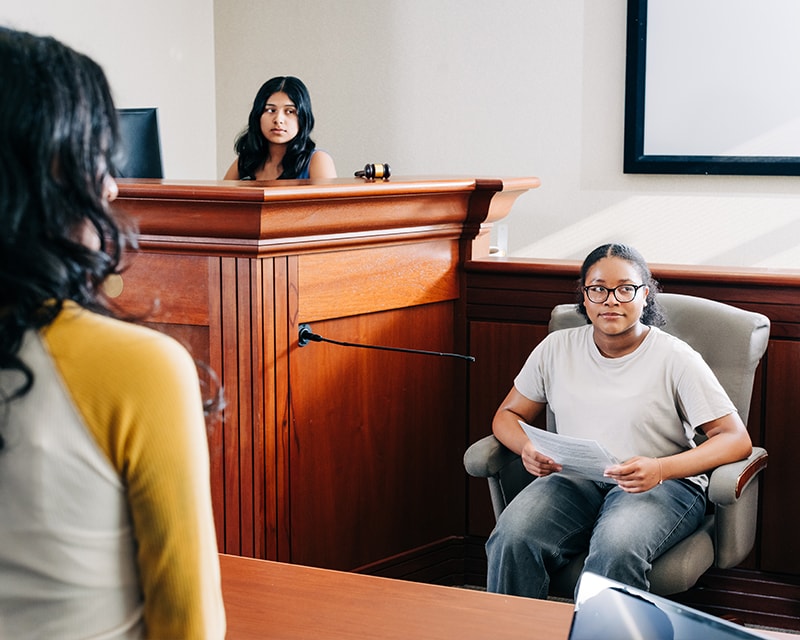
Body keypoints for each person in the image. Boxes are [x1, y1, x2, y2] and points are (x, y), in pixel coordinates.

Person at [0, 28, 226, 638]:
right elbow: (189, 626)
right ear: (46, 171)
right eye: (97, 156)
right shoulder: (140, 369)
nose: (112, 186)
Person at [485, 243, 753, 599]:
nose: (611, 300)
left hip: (662, 484)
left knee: (616, 549)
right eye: (598, 289)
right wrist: (527, 447)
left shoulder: (676, 357)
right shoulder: (556, 348)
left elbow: (735, 438)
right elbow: (507, 415)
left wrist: (660, 468)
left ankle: (604, 627)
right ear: (584, 297)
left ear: (645, 296)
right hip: (575, 477)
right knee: (512, 538)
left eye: (625, 289)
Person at [223, 75, 336, 181]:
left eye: (290, 111)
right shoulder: (245, 162)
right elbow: (221, 194)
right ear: (258, 115)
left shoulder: (317, 160)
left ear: (303, 117)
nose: (278, 119)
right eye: (271, 110)